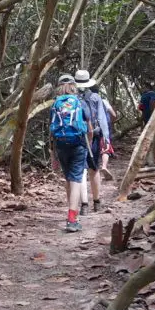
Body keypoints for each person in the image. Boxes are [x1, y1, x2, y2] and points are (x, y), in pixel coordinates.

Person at [50, 74, 89, 233]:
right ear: (74, 85)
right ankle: (72, 218)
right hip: (78, 144)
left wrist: (53, 155)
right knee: (76, 180)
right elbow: (89, 126)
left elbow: (51, 131)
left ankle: (73, 214)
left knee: (69, 179)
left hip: (60, 145)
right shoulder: (79, 102)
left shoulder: (55, 104)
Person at [75, 69, 108, 212]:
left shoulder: (71, 98)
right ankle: (97, 202)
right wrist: (106, 138)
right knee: (94, 169)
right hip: (93, 135)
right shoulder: (95, 97)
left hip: (77, 137)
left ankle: (84, 205)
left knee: (81, 170)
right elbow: (101, 118)